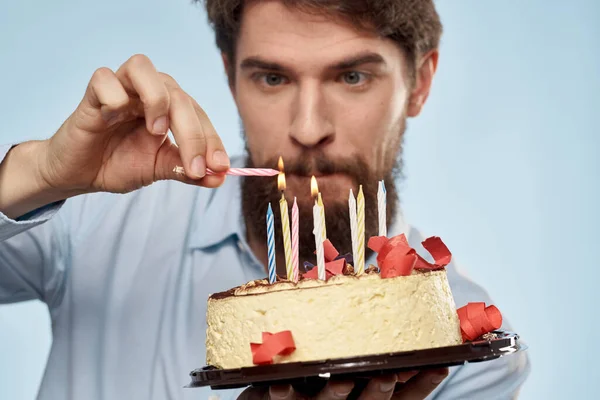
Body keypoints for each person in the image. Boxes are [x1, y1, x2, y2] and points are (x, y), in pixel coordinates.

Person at [0, 0, 530, 399]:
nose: (308, 129)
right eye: (273, 78)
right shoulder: (95, 216)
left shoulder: (466, 361)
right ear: (231, 78)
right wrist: (41, 173)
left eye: (352, 76)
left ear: (419, 83)